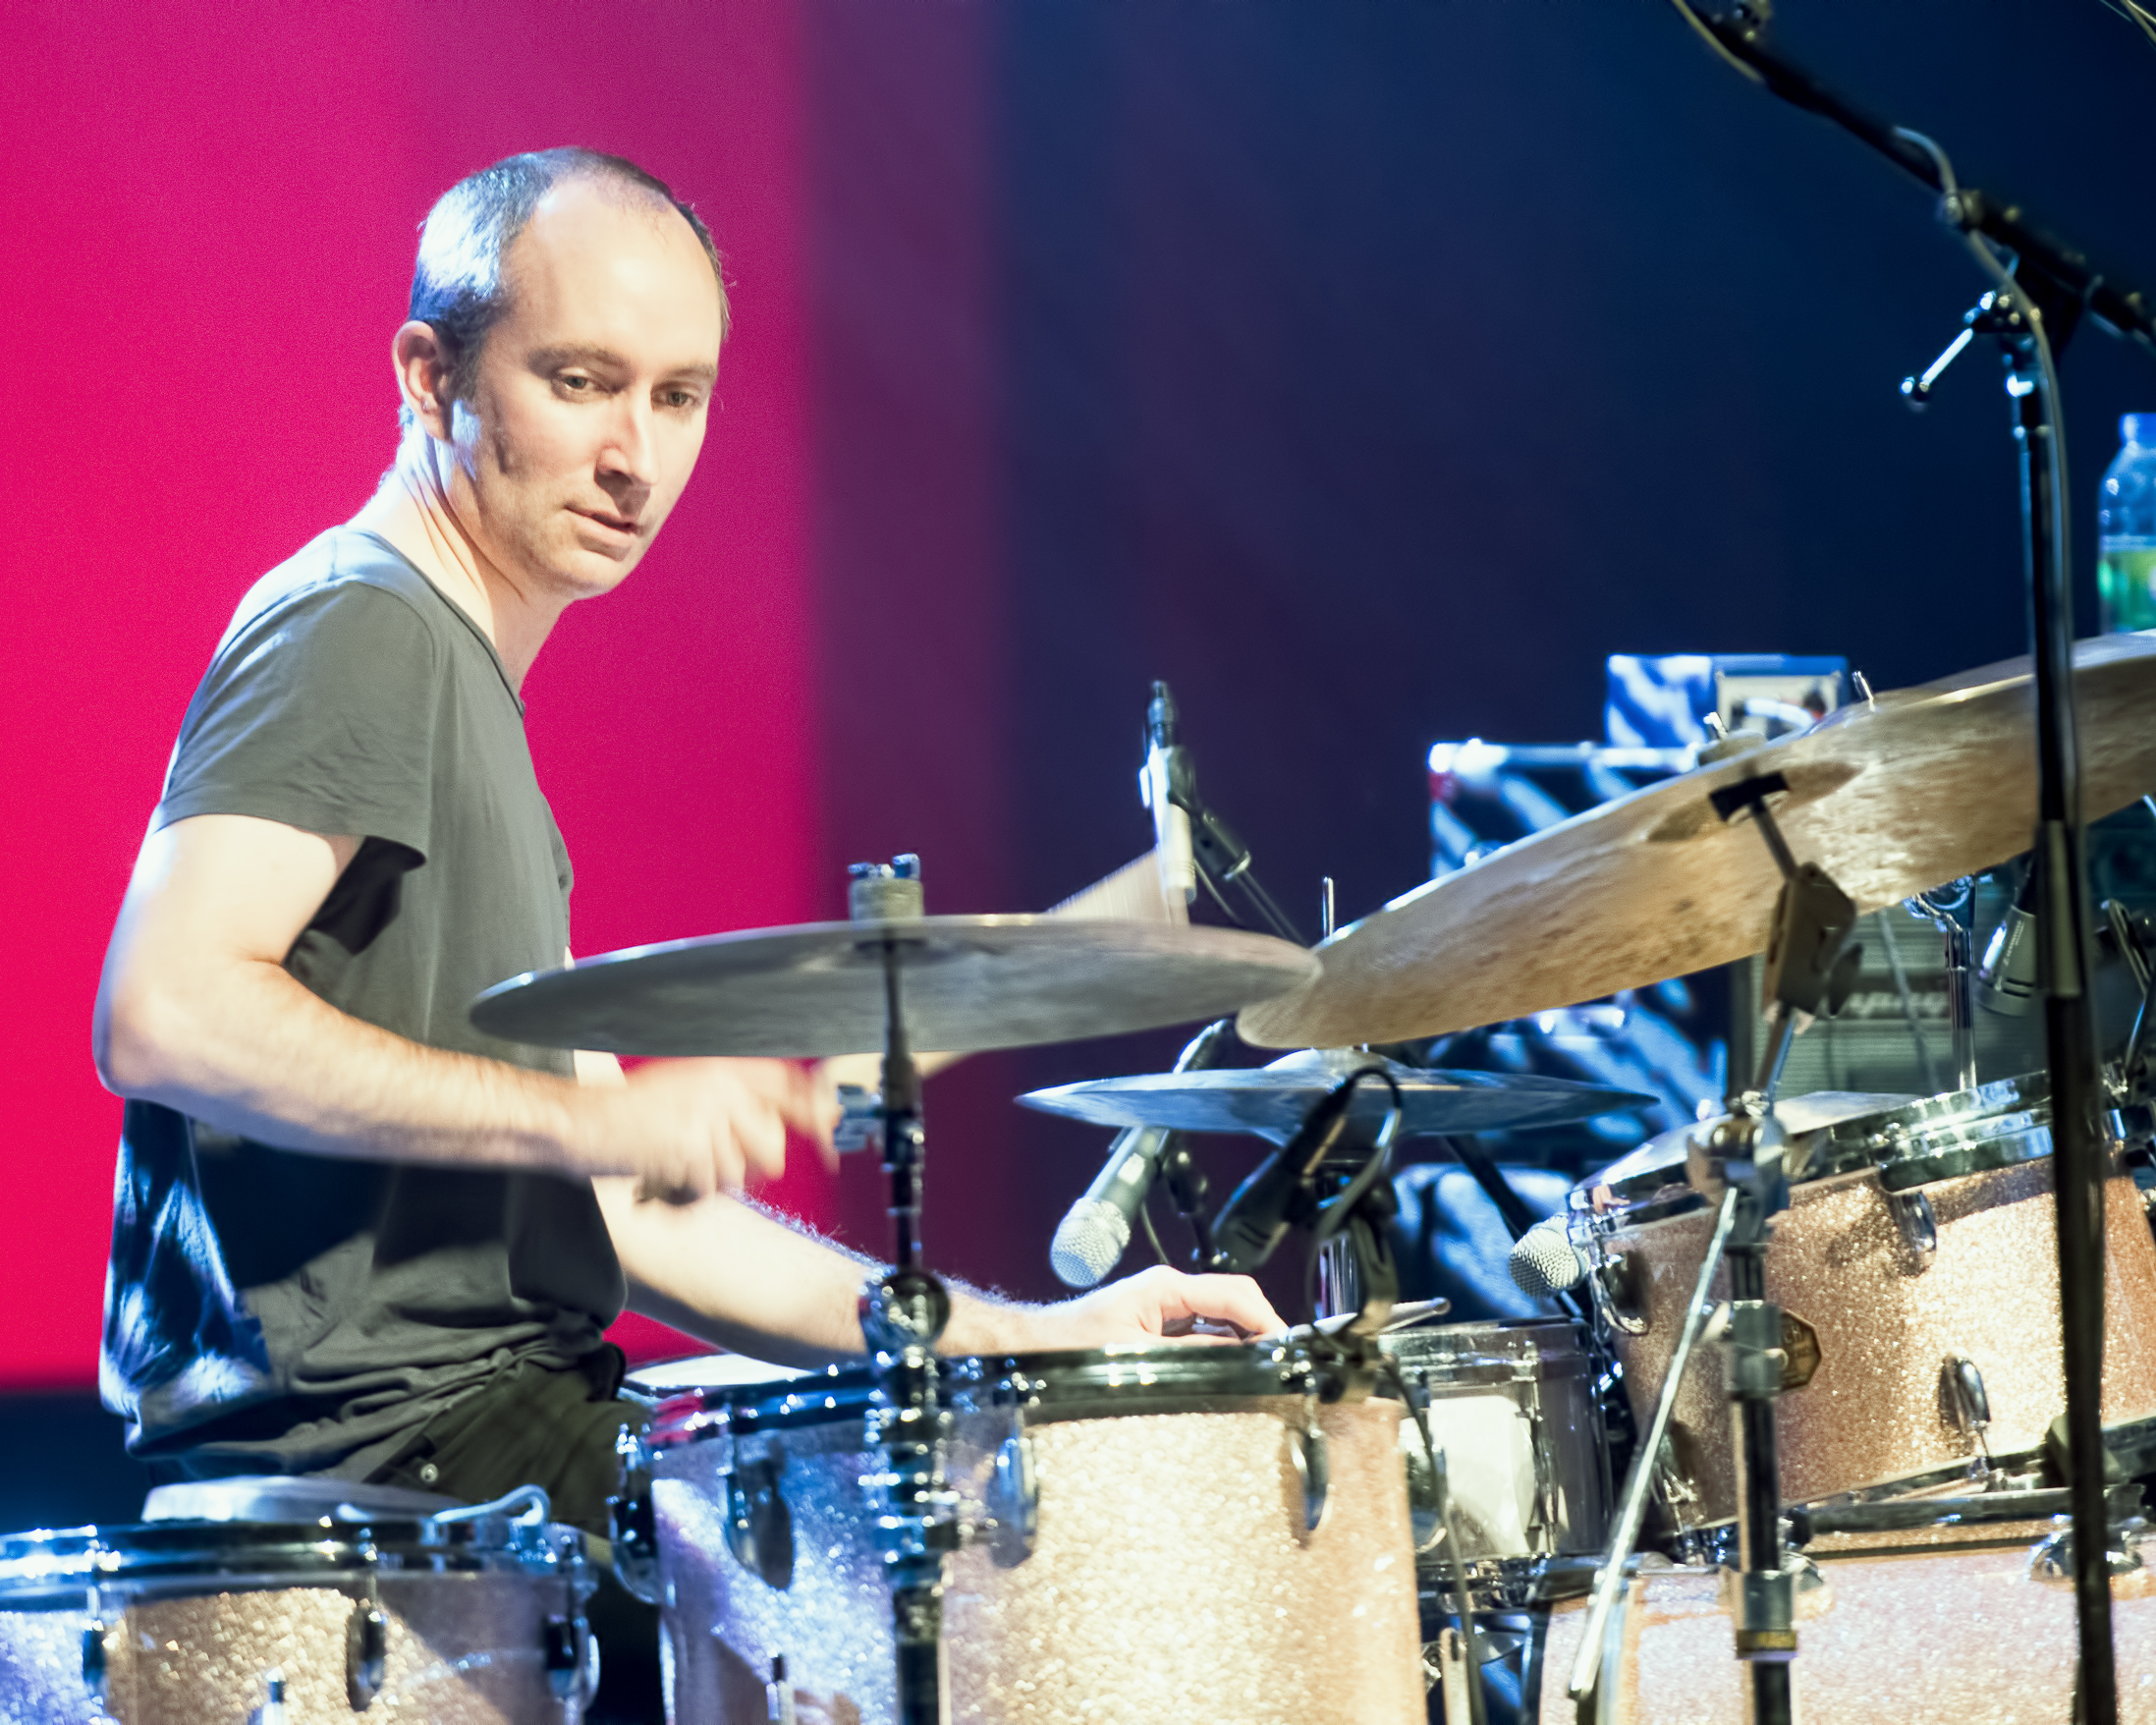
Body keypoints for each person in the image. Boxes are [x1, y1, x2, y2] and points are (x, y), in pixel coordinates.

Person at [90, 147, 1279, 1715]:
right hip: (416, 1472)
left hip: (494, 1437)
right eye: (581, 382)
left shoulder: (455, 679)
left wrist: (1015, 1348)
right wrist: (587, 1111)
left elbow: (632, 1215)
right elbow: (165, 1012)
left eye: (679, 397)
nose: (633, 456)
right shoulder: (365, 627)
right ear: (427, 373)